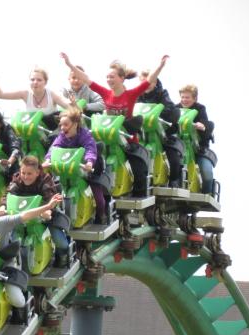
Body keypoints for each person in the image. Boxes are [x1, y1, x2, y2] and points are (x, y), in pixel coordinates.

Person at [60, 53, 169, 196]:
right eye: (107, 77)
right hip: (108, 139)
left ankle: (139, 196)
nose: (109, 80)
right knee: (94, 162)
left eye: (112, 77)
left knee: (139, 167)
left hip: (127, 140)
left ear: (122, 78)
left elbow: (149, 81)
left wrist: (161, 65)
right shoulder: (106, 93)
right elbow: (85, 79)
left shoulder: (131, 94)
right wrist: (69, 64)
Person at [42, 106, 109, 225]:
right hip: (70, 167)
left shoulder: (85, 135)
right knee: (57, 185)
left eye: (66, 125)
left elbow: (90, 149)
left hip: (89, 168)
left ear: (75, 124)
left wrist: (89, 162)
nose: (62, 128)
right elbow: (54, 147)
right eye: (61, 125)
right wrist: (47, 159)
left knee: (98, 196)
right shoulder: (62, 136)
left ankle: (101, 214)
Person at [6, 156, 71, 264]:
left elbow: (49, 196)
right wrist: (3, 206)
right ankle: (13, 261)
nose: (25, 177)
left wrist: (47, 211)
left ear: (37, 172)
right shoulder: (17, 179)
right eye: (23, 173)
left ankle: (62, 257)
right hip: (22, 213)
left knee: (60, 241)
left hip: (44, 213)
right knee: (8, 235)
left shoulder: (45, 180)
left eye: (29, 173)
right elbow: (9, 194)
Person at [138, 70, 183, 188]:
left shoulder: (162, 93)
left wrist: (159, 114)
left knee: (173, 156)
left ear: (154, 82)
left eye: (148, 82)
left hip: (163, 131)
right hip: (143, 132)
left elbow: (169, 106)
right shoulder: (138, 95)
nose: (145, 85)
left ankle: (174, 179)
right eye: (142, 82)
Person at [0, 62, 70, 115]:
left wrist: (72, 103)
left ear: (45, 82)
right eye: (32, 80)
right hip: (32, 132)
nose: (35, 82)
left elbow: (68, 106)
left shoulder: (52, 94)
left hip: (49, 132)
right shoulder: (25, 94)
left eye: (39, 80)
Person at [177, 84, 216, 195]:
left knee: (206, 174)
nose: (184, 100)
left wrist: (202, 126)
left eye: (187, 97)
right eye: (182, 97)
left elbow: (207, 124)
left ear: (195, 98)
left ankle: (206, 194)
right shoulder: (175, 108)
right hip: (179, 147)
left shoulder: (200, 109)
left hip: (197, 148)